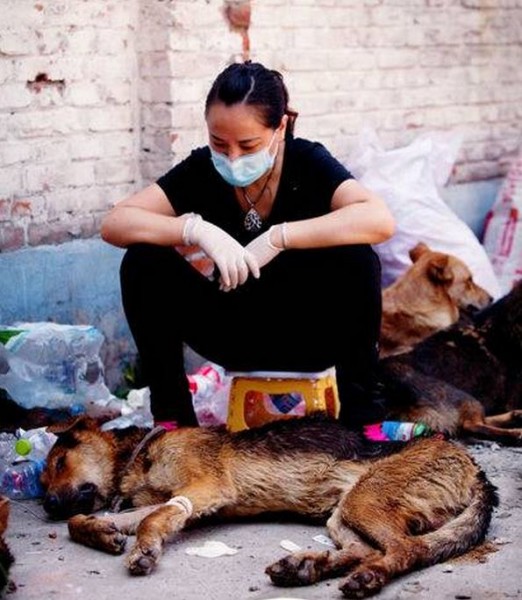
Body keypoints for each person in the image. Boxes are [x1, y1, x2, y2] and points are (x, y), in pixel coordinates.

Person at [101, 61, 395, 431]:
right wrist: (194, 230)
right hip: (233, 332)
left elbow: (379, 219)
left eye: (249, 144)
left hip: (310, 332)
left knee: (357, 256)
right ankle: (173, 419)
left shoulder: (307, 162)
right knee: (143, 260)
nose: (233, 158)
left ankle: (365, 420)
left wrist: (279, 237)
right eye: (219, 144)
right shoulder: (203, 170)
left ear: (281, 126)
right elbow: (115, 223)